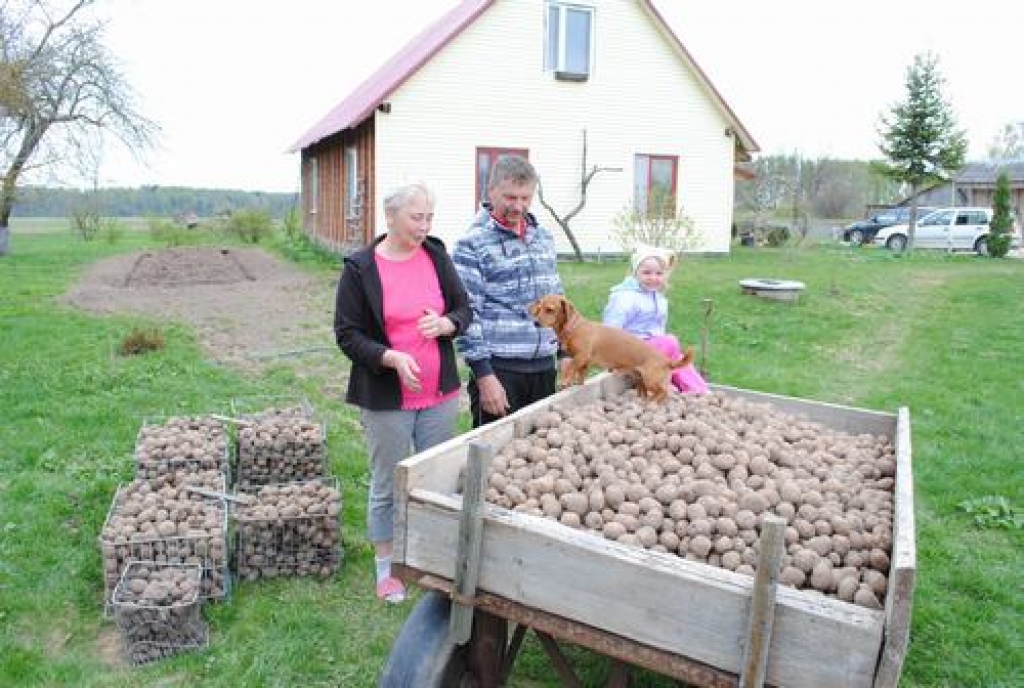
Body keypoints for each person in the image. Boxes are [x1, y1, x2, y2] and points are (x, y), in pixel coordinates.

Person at [334, 182, 472, 603]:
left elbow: (463, 308)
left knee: (437, 479)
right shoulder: (360, 268)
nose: (425, 225)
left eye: (429, 216)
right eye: (417, 217)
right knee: (389, 481)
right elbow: (347, 335)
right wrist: (390, 358)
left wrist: (447, 324)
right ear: (390, 216)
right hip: (386, 399)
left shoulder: (436, 254)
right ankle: (387, 569)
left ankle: (431, 560)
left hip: (439, 395)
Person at [453, 155, 565, 427]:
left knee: (542, 454)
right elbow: (468, 315)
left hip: (544, 368)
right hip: (500, 371)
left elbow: (558, 300)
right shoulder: (472, 244)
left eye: (525, 198)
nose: (518, 206)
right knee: (495, 460)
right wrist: (485, 377)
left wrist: (566, 354)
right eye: (510, 197)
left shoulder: (544, 238)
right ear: (491, 192)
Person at [601, 244, 708, 394]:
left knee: (678, 359)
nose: (653, 278)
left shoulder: (658, 298)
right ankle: (659, 383)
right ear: (634, 273)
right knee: (669, 343)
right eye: (646, 273)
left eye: (659, 273)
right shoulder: (624, 298)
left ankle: (699, 392)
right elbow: (610, 331)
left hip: (650, 352)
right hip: (630, 353)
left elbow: (658, 329)